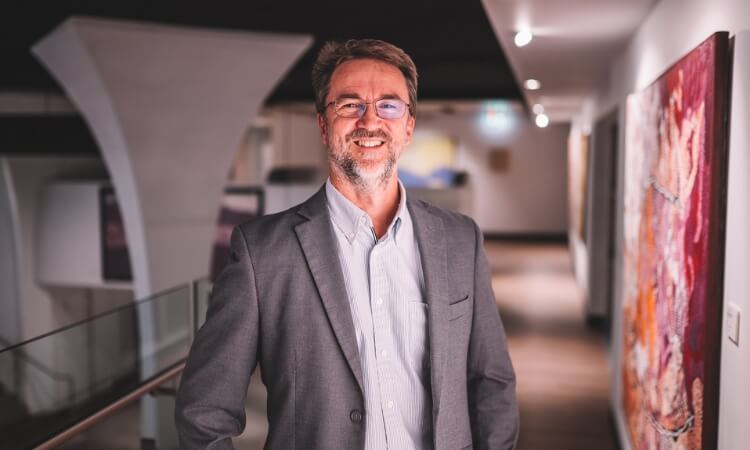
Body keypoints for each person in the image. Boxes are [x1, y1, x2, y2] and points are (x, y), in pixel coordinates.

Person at [175, 38, 519, 450]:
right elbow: (204, 413)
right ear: (323, 125)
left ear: (408, 126)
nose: (369, 121)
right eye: (349, 104)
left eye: (388, 105)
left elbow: (492, 382)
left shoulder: (461, 240)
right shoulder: (262, 253)